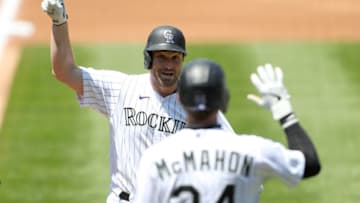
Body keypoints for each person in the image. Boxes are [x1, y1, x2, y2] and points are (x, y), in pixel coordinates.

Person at [41, 0, 234, 202]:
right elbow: (64, 71)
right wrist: (59, 22)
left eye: (175, 58)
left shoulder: (198, 107)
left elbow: (234, 157)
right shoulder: (121, 89)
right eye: (162, 57)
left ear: (182, 60)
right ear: (149, 59)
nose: (169, 66)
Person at [134, 60, 321, 203]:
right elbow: (310, 163)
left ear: (181, 100)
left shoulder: (156, 157)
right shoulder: (253, 150)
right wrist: (284, 111)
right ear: (223, 99)